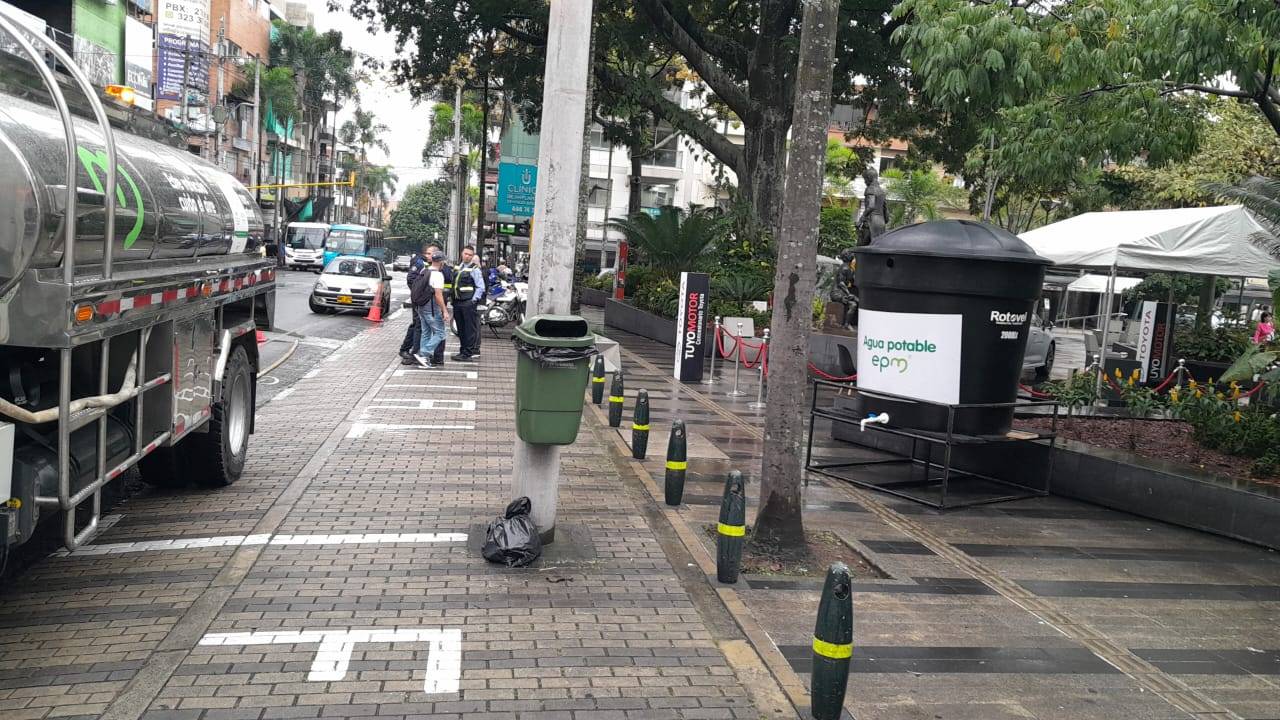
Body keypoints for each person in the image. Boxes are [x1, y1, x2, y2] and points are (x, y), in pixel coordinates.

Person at [412, 250, 452, 368]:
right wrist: (444, 310)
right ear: (441, 262)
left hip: (421, 306)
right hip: (432, 307)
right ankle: (424, 354)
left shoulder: (424, 271)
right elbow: (438, 295)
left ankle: (424, 360)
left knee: (426, 332)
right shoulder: (438, 275)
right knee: (440, 333)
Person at [452, 245, 485, 362]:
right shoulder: (458, 267)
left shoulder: (474, 269)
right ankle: (462, 351)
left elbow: (481, 287)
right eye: (466, 254)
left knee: (469, 329)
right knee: (460, 329)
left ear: (473, 256)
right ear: (462, 253)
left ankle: (467, 353)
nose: (467, 256)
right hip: (457, 302)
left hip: (468, 303)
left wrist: (473, 300)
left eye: (470, 255)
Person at [398, 244, 428, 365]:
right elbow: (410, 279)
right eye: (430, 253)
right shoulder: (420, 263)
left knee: (417, 324)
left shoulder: (426, 263)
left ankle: (408, 349)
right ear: (425, 253)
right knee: (417, 324)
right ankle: (407, 349)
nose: (433, 256)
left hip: (422, 300)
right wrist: (417, 293)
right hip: (418, 300)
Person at [856, 167, 889, 245]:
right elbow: (886, 211)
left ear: (869, 178)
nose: (864, 182)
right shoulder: (882, 191)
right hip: (881, 223)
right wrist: (884, 221)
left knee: (861, 248)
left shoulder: (870, 189)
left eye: (865, 179)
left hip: (870, 223)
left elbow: (871, 206)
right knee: (876, 247)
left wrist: (860, 220)